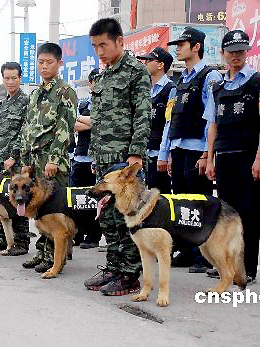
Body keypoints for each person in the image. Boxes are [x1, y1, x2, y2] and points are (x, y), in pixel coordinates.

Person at [84, 18, 151, 296]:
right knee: (107, 219)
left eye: (104, 44)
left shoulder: (136, 72)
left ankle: (130, 274)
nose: (100, 51)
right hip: (103, 160)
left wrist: (136, 154)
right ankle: (113, 267)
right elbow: (98, 122)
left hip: (125, 161)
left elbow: (143, 114)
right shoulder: (101, 76)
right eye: (95, 46)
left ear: (120, 42)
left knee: (127, 218)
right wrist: (93, 157)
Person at [204, 30, 260, 285]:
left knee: (248, 213)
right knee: (225, 215)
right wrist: (210, 158)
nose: (236, 55)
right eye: (231, 51)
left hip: (248, 157)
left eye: (241, 51)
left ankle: (248, 268)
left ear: (247, 52)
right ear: (223, 53)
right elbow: (212, 125)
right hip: (223, 156)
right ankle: (226, 265)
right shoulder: (217, 87)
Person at [160, 27, 223, 273]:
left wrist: (208, 154)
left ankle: (203, 254)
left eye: (182, 44)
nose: (177, 47)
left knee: (200, 203)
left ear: (196, 46)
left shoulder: (210, 77)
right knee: (183, 203)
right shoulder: (181, 81)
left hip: (198, 148)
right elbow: (171, 119)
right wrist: (169, 151)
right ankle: (187, 250)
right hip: (180, 147)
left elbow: (211, 119)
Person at [20, 43, 77, 273]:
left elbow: (65, 128)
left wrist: (53, 159)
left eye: (49, 62)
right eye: (41, 62)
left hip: (54, 161)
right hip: (34, 161)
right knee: (38, 209)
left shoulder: (65, 91)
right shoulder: (35, 94)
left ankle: (55, 258)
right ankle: (42, 252)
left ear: (59, 63)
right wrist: (25, 160)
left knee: (54, 210)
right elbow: (28, 129)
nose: (44, 66)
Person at [0, 61, 30, 256]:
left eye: (14, 78)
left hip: (16, 160)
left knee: (19, 199)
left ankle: (22, 242)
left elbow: (25, 132)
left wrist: (14, 156)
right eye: (7, 78)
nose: (10, 81)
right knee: (3, 200)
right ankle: (6, 240)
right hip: (0, 160)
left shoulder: (25, 101)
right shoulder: (5, 102)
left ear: (20, 78)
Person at [136, 47, 175, 194]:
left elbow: (169, 123)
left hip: (160, 153)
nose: (145, 63)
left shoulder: (170, 89)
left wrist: (165, 154)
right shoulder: (147, 90)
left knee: (162, 197)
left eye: (149, 60)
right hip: (148, 152)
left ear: (160, 65)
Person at [71, 68, 102, 249]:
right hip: (80, 156)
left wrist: (87, 121)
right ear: (90, 83)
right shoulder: (83, 104)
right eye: (95, 81)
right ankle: (79, 234)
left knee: (95, 197)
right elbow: (73, 125)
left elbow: (99, 122)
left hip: (95, 158)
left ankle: (93, 235)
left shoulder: (104, 102)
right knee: (77, 198)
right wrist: (89, 121)